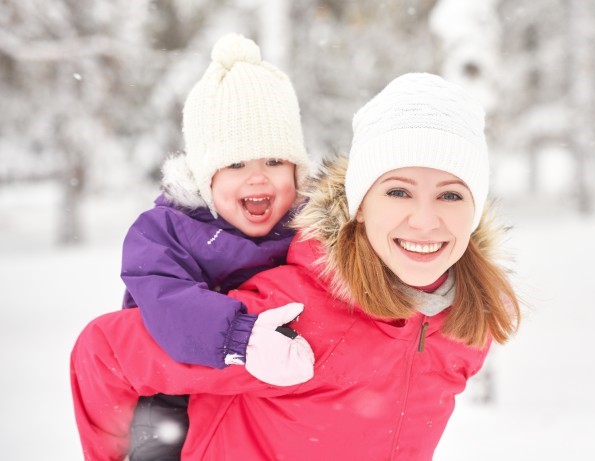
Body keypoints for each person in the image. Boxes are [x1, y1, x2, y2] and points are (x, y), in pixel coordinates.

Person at [71, 72, 521, 460]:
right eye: (398, 192)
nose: (425, 220)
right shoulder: (291, 315)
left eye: (451, 194)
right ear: (359, 206)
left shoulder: (466, 323)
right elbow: (104, 353)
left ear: (476, 210)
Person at [74, 33, 316, 460]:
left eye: (275, 161)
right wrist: (238, 335)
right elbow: (169, 302)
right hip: (175, 398)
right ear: (206, 175)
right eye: (237, 164)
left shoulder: (308, 229)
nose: (258, 177)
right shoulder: (166, 230)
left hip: (267, 401)